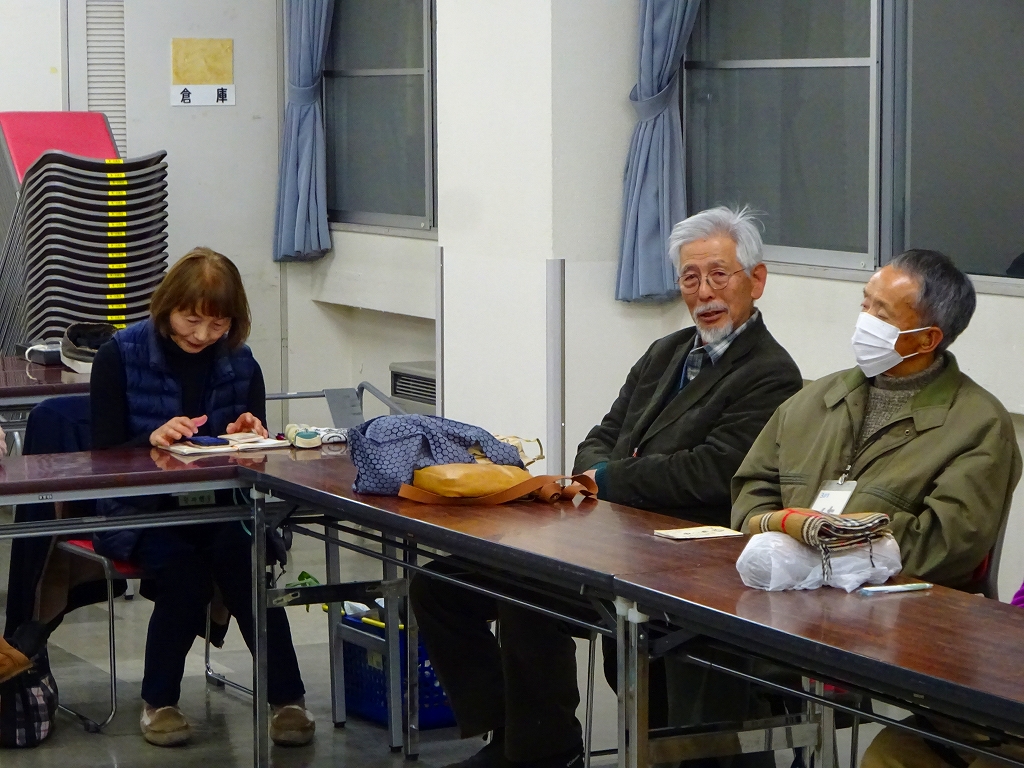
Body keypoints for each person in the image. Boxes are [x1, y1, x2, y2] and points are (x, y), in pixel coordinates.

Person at [410, 206, 802, 768]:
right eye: (691, 277)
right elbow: (601, 436)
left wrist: (610, 478)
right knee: (441, 585)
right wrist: (597, 474)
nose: (704, 292)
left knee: (525, 596)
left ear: (755, 280)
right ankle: (521, 742)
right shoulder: (666, 352)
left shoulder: (770, 372)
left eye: (720, 275)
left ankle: (541, 753)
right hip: (612, 539)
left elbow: (715, 470)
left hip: (684, 560)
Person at [731, 249, 1022, 767]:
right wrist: (783, 527)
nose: (864, 320)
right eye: (865, 304)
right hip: (785, 603)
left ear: (927, 339)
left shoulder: (979, 425)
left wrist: (822, 542)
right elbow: (751, 488)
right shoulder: (816, 400)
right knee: (687, 649)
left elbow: (943, 546)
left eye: (881, 313)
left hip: (898, 625)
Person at [89, 247, 313, 748]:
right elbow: (101, 457)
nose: (202, 335)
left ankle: (288, 700)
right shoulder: (119, 356)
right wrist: (149, 441)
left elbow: (253, 458)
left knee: (248, 566)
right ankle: (159, 703)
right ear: (167, 306)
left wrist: (249, 433)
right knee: (185, 575)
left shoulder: (240, 361)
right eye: (191, 320)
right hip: (143, 509)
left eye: (218, 324)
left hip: (221, 506)